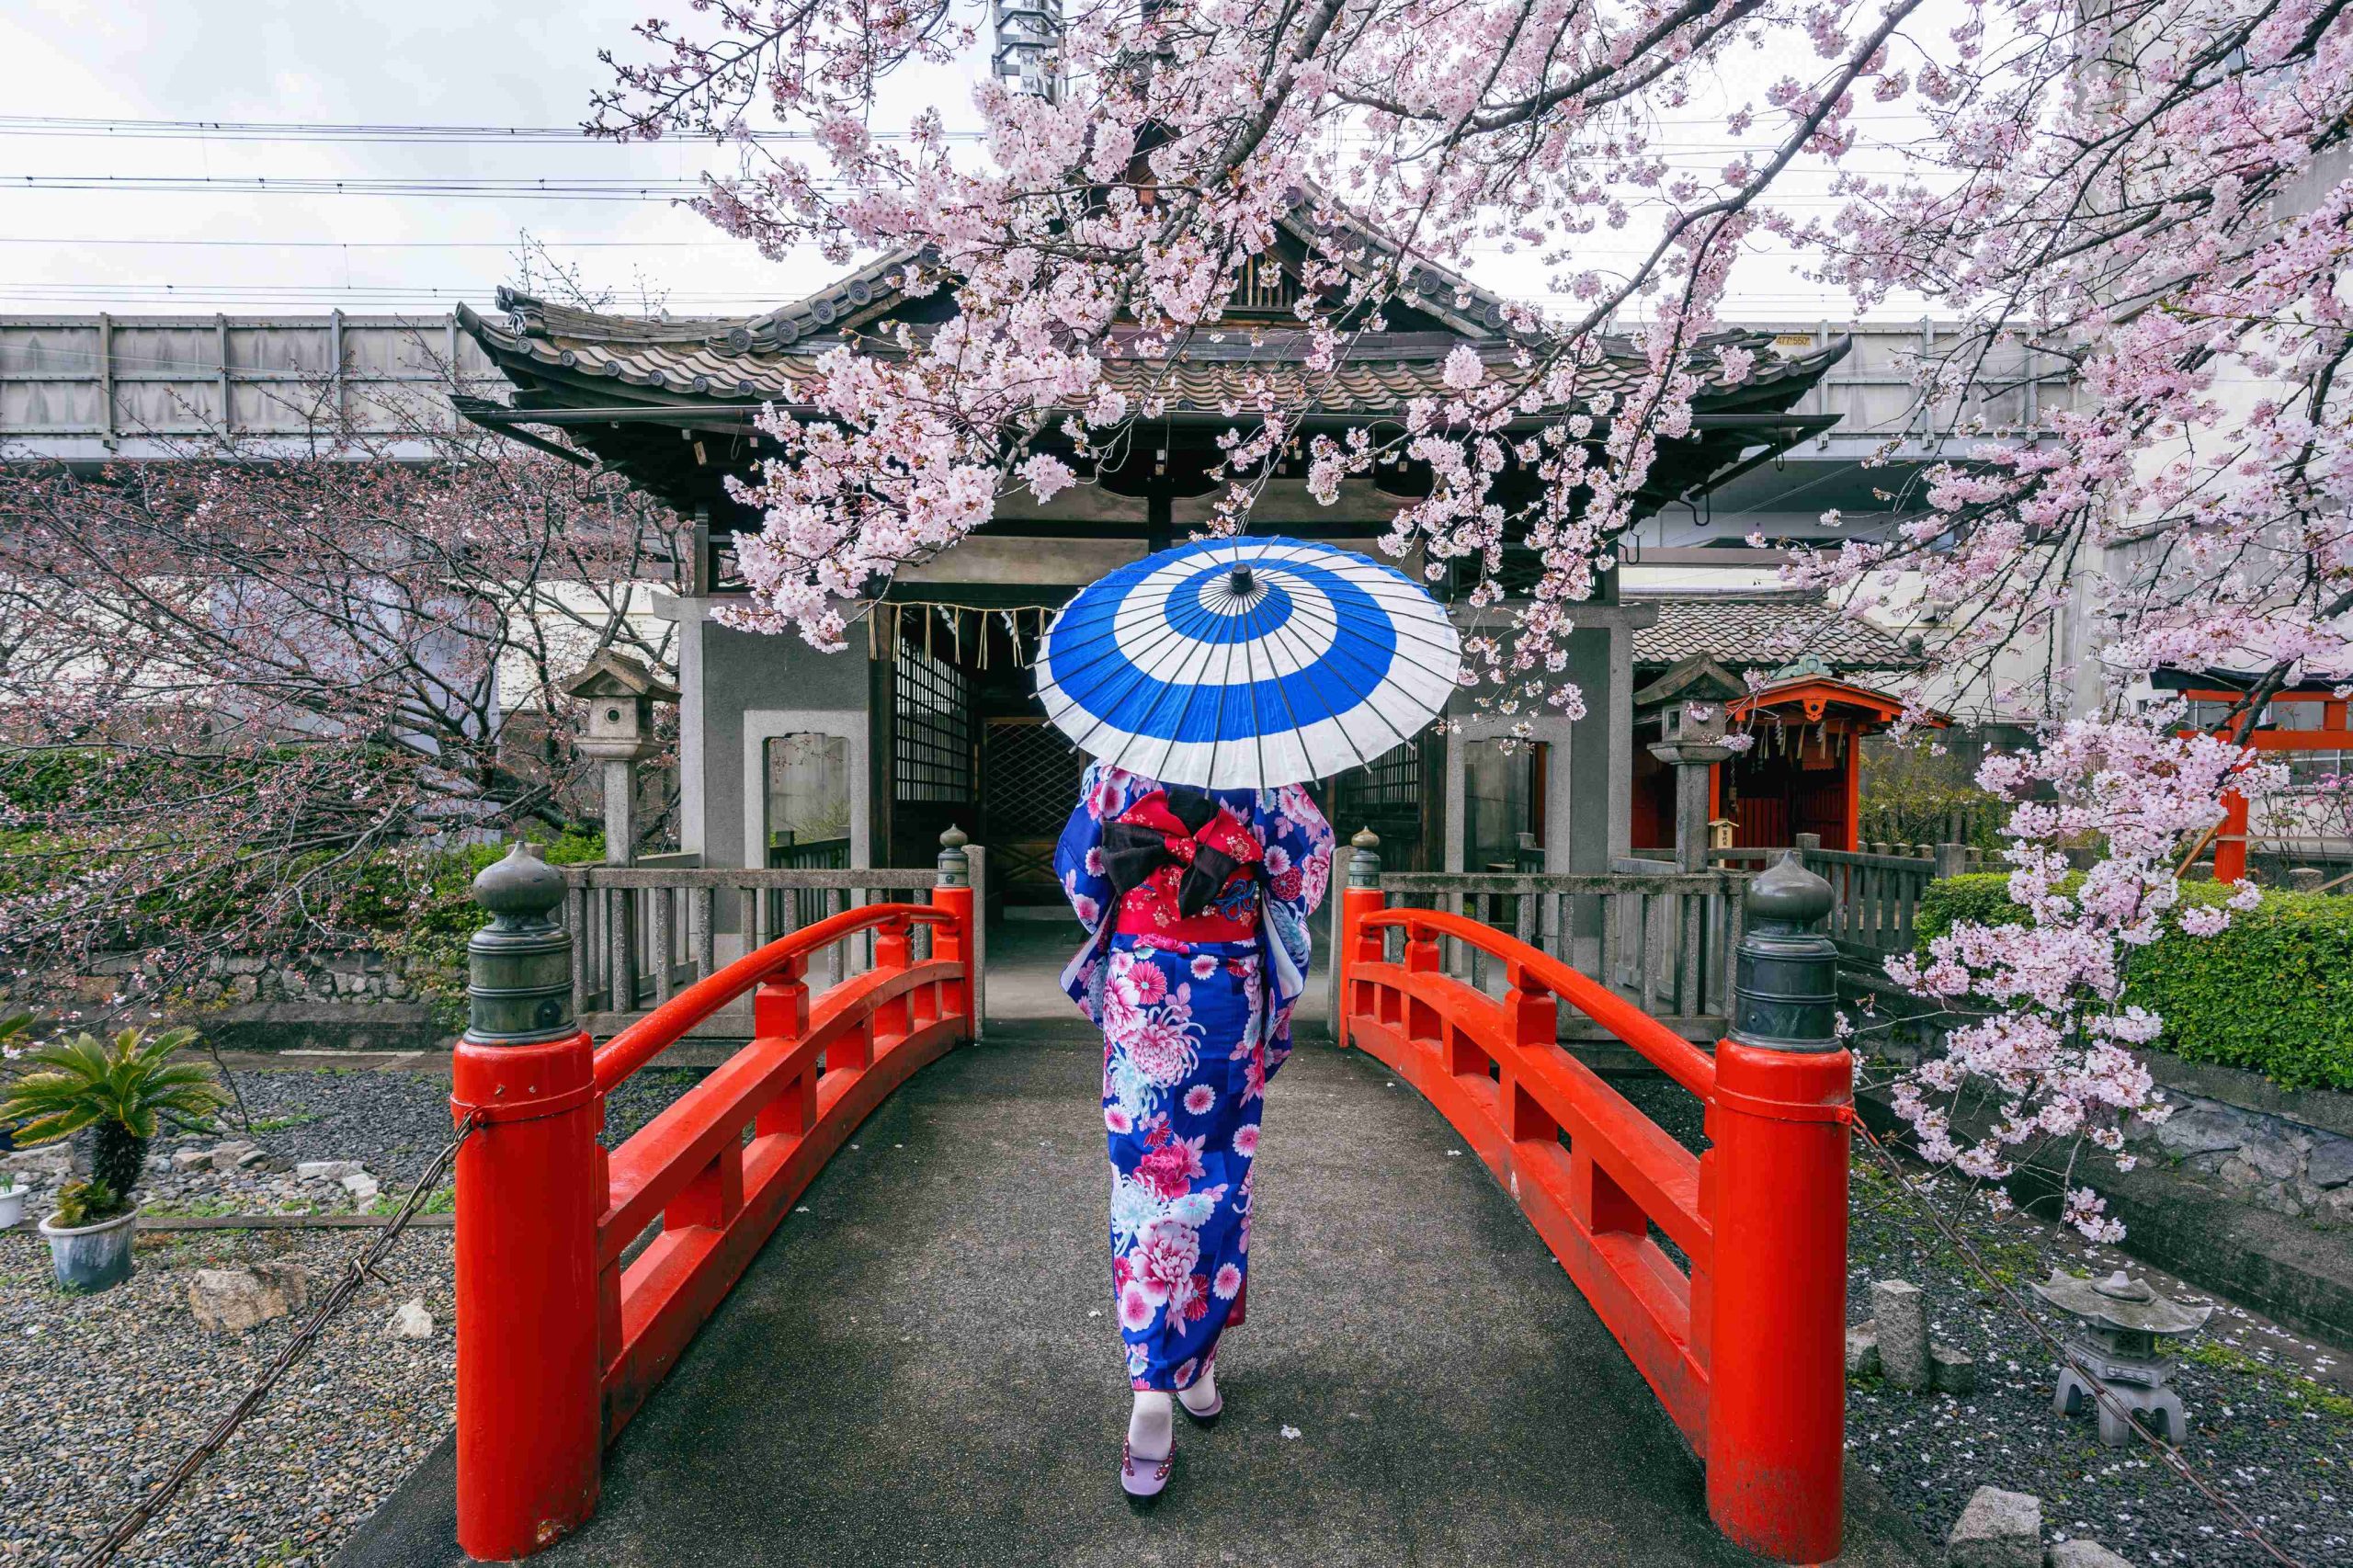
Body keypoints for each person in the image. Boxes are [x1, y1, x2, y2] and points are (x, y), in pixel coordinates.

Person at [1052, 760, 1335, 1499]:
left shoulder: (1112, 776)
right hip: (1223, 992)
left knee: (1145, 1177)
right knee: (1215, 1180)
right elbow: (1301, 885)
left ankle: (1155, 1378)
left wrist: (1151, 901)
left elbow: (1083, 885)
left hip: (1143, 983)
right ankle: (1192, 1366)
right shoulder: (1272, 779)